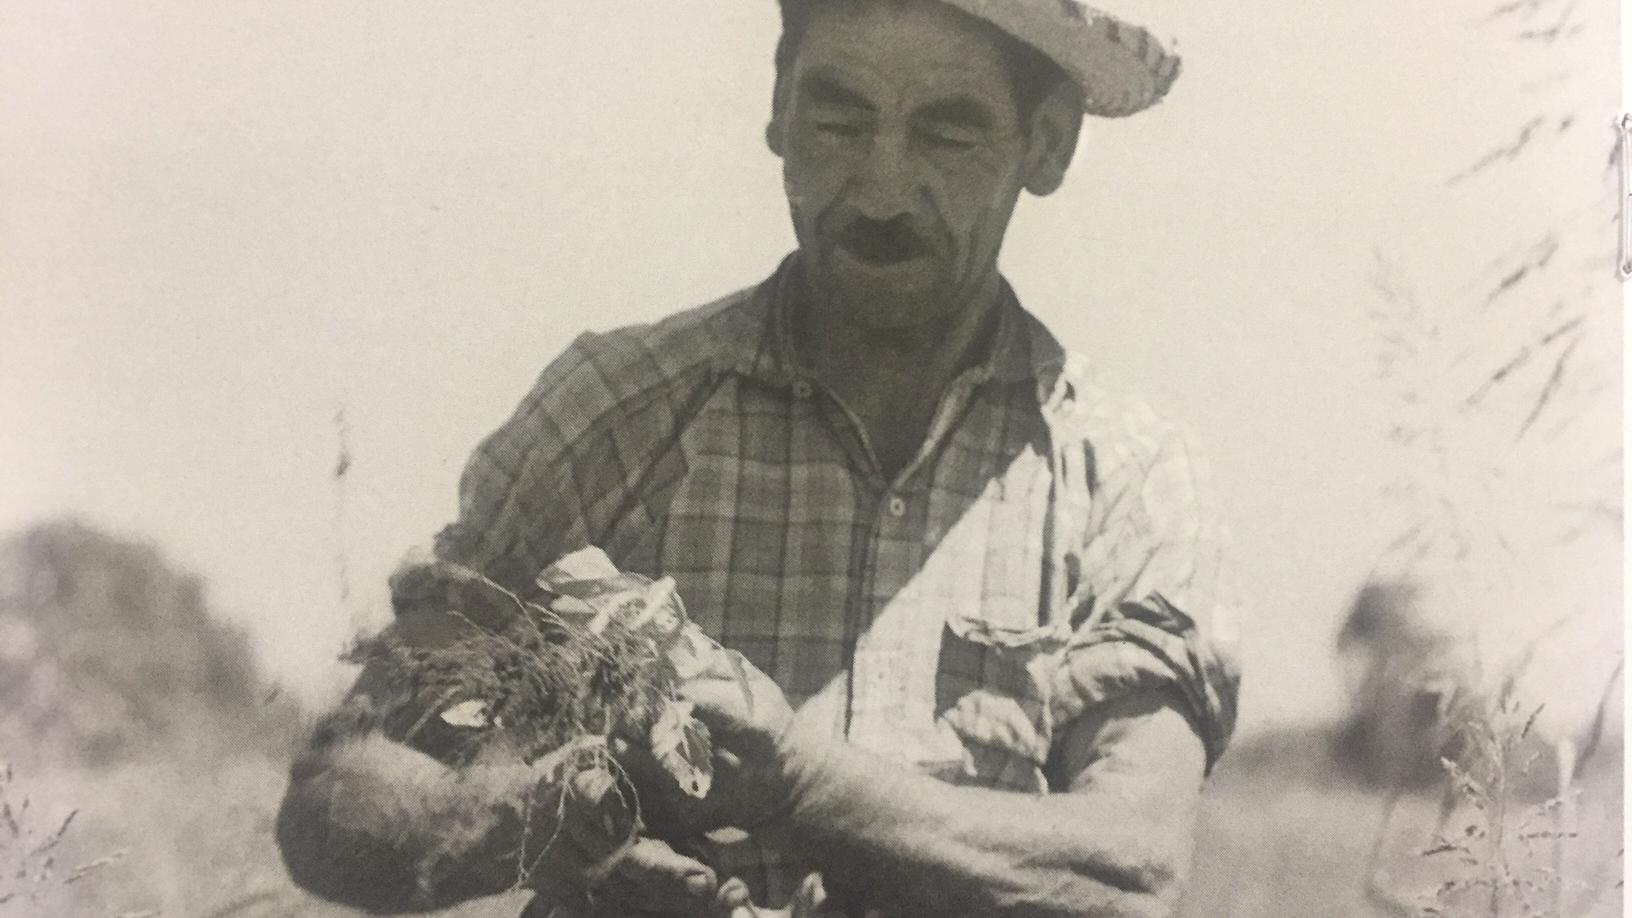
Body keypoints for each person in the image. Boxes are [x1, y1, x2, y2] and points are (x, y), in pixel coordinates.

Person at [276, 1, 1240, 915]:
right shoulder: (614, 412)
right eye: (838, 117)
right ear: (778, 109)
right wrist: (528, 823)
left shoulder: (1126, 477)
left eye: (948, 131)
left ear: (1049, 143)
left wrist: (801, 786)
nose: (881, 188)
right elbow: (334, 798)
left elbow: (1132, 873)